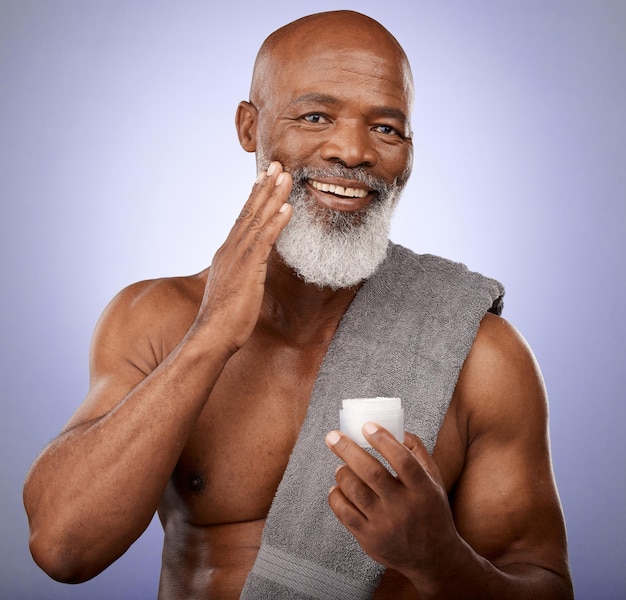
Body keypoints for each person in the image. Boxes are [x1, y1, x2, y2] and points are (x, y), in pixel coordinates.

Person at [23, 10, 573, 600]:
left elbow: (545, 585)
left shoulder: (478, 355)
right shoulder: (156, 321)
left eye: (386, 128)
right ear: (249, 127)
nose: (354, 151)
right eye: (316, 116)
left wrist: (439, 559)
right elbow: (63, 548)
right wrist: (211, 334)